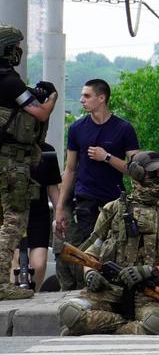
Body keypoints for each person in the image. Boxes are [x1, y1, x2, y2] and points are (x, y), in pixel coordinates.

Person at [57, 151, 159, 335]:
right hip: (108, 293)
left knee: (156, 322)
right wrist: (91, 273)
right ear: (136, 174)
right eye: (152, 174)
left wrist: (151, 271)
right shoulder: (113, 209)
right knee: (69, 312)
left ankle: (103, 331)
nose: (158, 179)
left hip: (151, 295)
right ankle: (126, 327)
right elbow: (90, 255)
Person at [0, 25, 58, 300]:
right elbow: (39, 112)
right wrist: (52, 97)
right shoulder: (10, 82)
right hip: (11, 161)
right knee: (14, 219)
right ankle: (2, 281)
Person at [54, 79, 139, 252]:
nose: (81, 100)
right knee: (88, 249)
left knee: (112, 250)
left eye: (86, 95)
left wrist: (107, 157)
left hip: (114, 198)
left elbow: (136, 170)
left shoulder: (124, 128)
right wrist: (60, 207)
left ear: (101, 98)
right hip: (85, 198)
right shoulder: (76, 128)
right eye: (81, 96)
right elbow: (69, 169)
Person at [11, 142, 60, 291]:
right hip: (12, 212)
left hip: (38, 214)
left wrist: (59, 213)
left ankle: (33, 295)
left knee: (38, 264)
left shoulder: (47, 151)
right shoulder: (8, 145)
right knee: (15, 263)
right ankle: (13, 295)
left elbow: (53, 188)